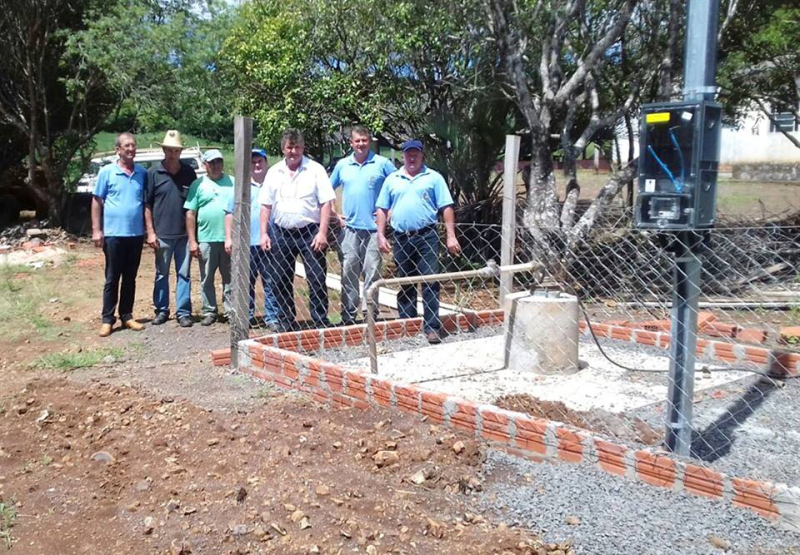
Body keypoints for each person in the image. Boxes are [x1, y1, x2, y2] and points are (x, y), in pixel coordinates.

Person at [376, 139, 461, 344]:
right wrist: (380, 234)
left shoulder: (433, 178)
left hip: (426, 236)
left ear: (422, 155)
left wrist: (451, 235)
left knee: (430, 281)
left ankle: (432, 327)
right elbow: (382, 208)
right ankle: (409, 324)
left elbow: (446, 207)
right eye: (408, 154)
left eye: (415, 154)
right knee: (405, 282)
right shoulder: (393, 179)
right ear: (403, 156)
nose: (411, 157)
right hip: (401, 237)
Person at [259, 129, 336, 331]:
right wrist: (263, 233)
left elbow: (326, 202)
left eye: (297, 147)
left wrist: (322, 232)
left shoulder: (315, 170)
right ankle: (286, 321)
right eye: (289, 147)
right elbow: (266, 205)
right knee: (280, 279)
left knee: (317, 278)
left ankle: (320, 320)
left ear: (302, 148)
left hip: (310, 232)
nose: (293, 151)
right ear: (283, 149)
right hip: (281, 232)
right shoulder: (274, 172)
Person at [329, 125, 396, 326]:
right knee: (348, 271)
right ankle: (348, 315)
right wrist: (334, 213)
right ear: (351, 142)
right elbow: (326, 191)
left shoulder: (382, 163)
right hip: (348, 229)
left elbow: (398, 185)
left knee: (372, 272)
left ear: (370, 142)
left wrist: (390, 210)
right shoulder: (342, 165)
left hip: (375, 229)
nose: (360, 144)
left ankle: (370, 314)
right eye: (357, 141)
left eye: (364, 140)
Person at [91, 132, 147, 337]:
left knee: (130, 277)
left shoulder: (142, 173)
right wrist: (97, 230)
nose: (131, 149)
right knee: (112, 277)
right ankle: (107, 319)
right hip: (114, 234)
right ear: (118, 150)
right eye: (126, 146)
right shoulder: (107, 172)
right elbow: (97, 201)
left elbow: (146, 203)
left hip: (135, 234)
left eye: (133, 145)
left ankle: (127, 315)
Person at [144, 130, 197, 328]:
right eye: (169, 150)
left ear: (180, 151)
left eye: (176, 150)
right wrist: (150, 232)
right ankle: (161, 310)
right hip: (162, 234)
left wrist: (194, 236)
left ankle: (183, 312)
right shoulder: (153, 173)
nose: (173, 153)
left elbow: (194, 205)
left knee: (184, 274)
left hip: (184, 235)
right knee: (161, 274)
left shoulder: (189, 172)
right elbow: (147, 204)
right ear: (164, 150)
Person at [224, 148, 279, 329]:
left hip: (269, 242)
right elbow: (229, 213)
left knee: (271, 281)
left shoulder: (273, 185)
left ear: (266, 164)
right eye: (253, 162)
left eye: (260, 162)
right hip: (246, 243)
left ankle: (271, 317)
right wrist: (229, 238)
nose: (256, 165)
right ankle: (246, 316)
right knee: (246, 283)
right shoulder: (241, 187)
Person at [184, 149, 234, 326]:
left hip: (229, 239)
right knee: (207, 277)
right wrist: (192, 241)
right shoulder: (198, 185)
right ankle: (209, 310)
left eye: (219, 161)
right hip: (206, 238)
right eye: (212, 162)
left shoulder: (233, 182)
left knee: (230, 277)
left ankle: (231, 311)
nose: (216, 165)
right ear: (205, 165)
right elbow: (190, 213)